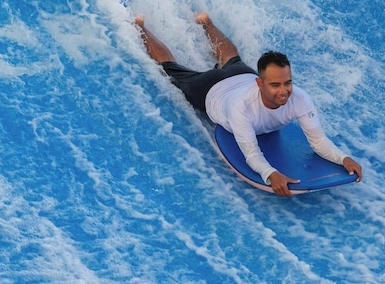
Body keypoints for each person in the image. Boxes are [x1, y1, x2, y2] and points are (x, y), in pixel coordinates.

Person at [135, 12, 363, 196]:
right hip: (211, 90)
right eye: (275, 85)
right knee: (171, 69)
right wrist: (271, 174)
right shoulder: (241, 108)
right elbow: (251, 153)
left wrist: (343, 158)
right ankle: (141, 27)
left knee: (233, 60)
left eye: (287, 83)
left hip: (241, 75)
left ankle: (206, 22)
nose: (283, 91)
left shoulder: (300, 98)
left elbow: (318, 140)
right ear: (260, 84)